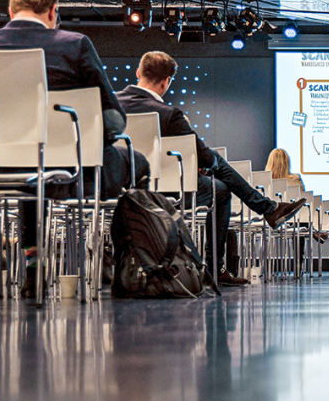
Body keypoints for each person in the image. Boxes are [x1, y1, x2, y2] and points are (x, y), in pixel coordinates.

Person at [0, 0, 150, 296]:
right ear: (52, 11)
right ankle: (125, 262)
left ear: (10, 11)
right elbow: (114, 120)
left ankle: (34, 263)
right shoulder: (74, 45)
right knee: (139, 162)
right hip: (74, 172)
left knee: (32, 168)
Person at [117, 51, 306, 286]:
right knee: (220, 188)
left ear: (138, 73)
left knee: (214, 169)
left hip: (113, 188)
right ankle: (217, 266)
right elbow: (202, 156)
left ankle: (268, 209)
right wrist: (208, 165)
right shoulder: (168, 114)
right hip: (163, 191)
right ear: (166, 82)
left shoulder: (111, 105)